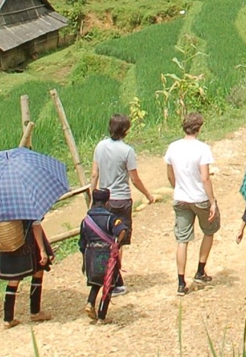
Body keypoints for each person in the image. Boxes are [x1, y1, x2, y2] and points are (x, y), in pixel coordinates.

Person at [84, 113, 153, 317]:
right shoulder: (127, 151)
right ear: (125, 131)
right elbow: (134, 178)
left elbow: (94, 174)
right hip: (121, 200)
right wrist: (148, 194)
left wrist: (92, 195)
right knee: (118, 241)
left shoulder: (99, 146)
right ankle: (114, 280)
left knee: (103, 240)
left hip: (104, 199)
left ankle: (107, 279)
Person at [165, 111, 220, 295]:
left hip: (181, 198)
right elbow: (205, 177)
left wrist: (178, 188)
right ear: (198, 128)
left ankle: (181, 282)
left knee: (182, 240)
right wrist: (212, 201)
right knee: (209, 231)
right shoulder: (202, 148)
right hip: (200, 198)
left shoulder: (173, 147)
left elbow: (170, 174)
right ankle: (200, 270)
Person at [0, 220, 54, 326]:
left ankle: (8, 318)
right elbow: (35, 225)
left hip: (11, 242)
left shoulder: (5, 210)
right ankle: (35, 312)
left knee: (13, 278)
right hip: (29, 243)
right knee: (38, 271)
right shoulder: (26, 209)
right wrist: (42, 250)